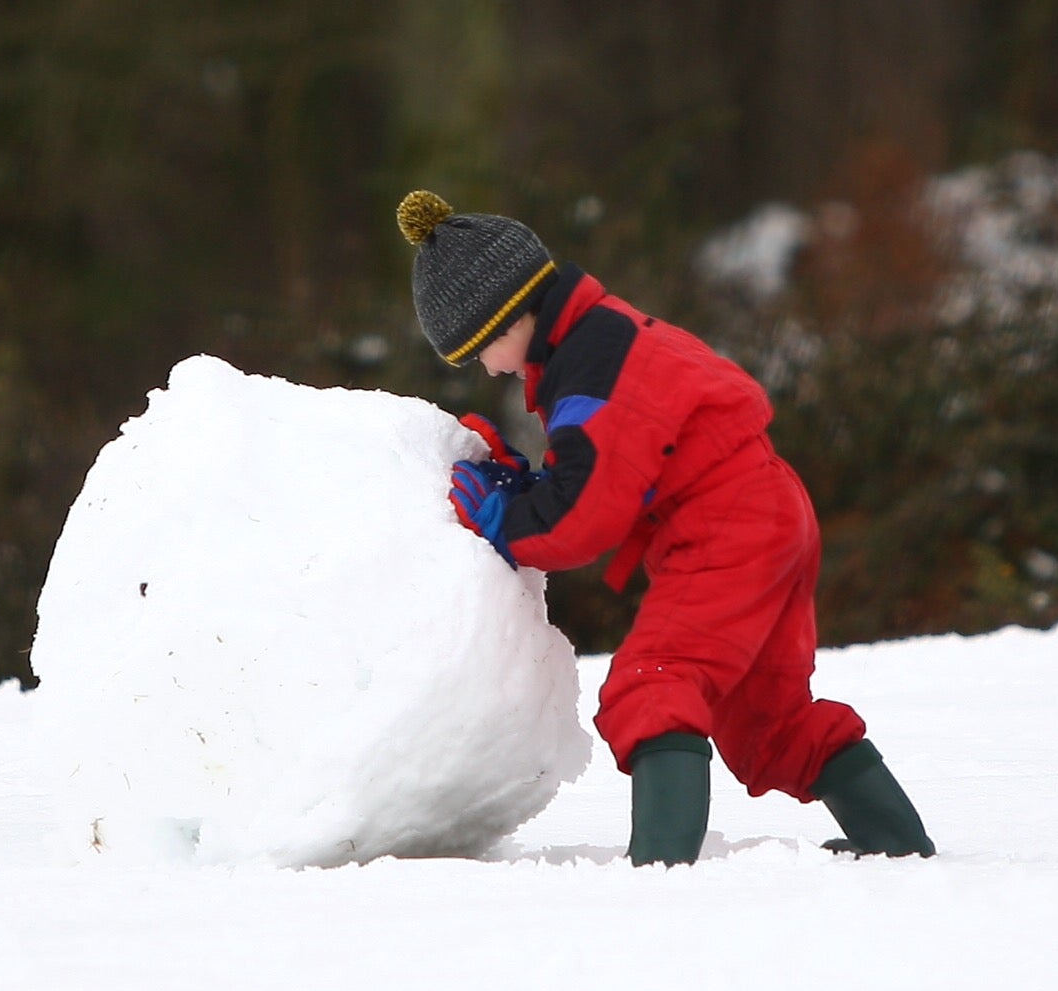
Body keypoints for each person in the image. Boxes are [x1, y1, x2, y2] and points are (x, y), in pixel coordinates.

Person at [395, 188, 936, 866]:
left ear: (506, 316)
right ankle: (895, 842)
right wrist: (530, 487)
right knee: (766, 715)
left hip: (728, 524)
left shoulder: (591, 365)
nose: (489, 367)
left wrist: (509, 517)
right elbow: (608, 472)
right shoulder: (598, 340)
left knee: (654, 679)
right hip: (765, 508)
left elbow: (583, 513)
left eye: (480, 349)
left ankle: (662, 871)